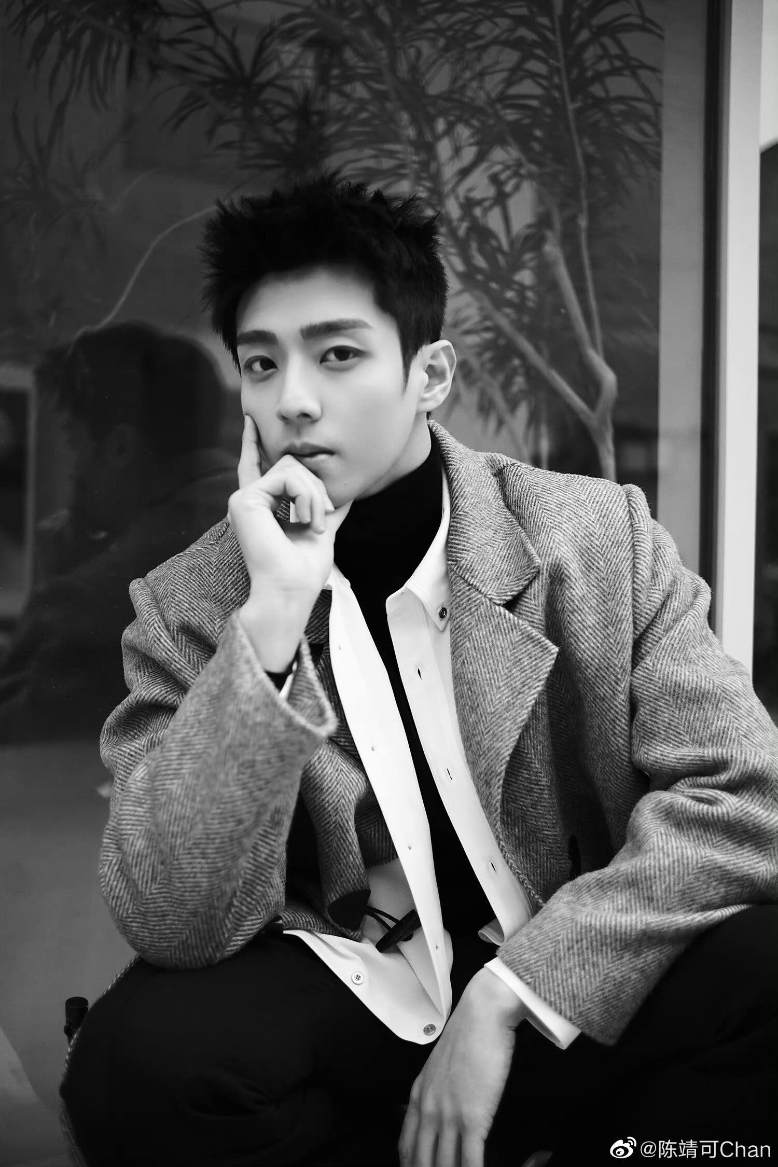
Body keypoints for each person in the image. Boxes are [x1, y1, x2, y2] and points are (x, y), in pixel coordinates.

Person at [59, 176, 777, 1167]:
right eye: (261, 363)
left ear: (430, 374)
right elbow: (172, 917)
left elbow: (745, 796)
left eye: (338, 354)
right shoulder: (193, 601)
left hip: (576, 984)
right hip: (366, 993)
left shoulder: (593, 538)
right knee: (133, 1065)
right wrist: (271, 621)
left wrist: (519, 988)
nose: (293, 399)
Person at [0, 323, 235, 742]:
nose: (72, 470)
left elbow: (16, 743)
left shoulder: (82, 604)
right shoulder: (285, 521)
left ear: (120, 448)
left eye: (73, 440)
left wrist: (61, 583)